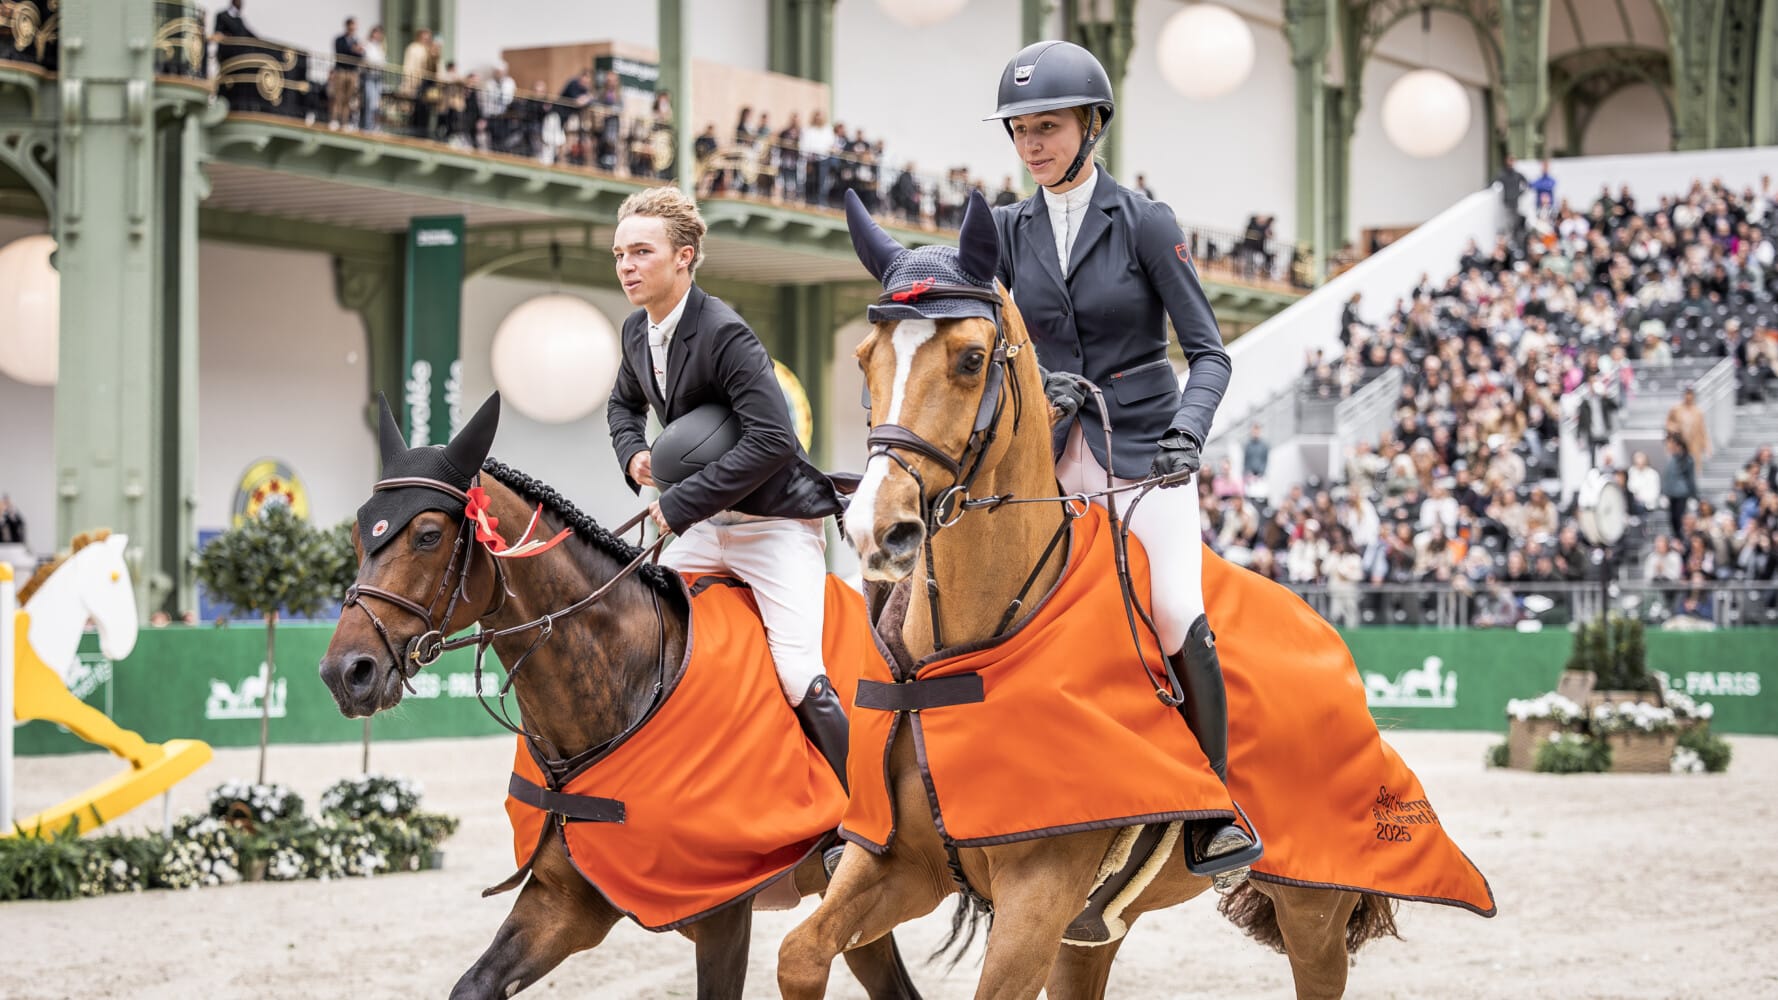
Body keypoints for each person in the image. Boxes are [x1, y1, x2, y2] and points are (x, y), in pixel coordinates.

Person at [984, 40, 1250, 879]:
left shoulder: (1143, 221)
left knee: (1172, 609)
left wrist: (1188, 434)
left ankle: (1214, 808)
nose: (1032, 144)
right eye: (1020, 130)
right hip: (1048, 458)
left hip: (1144, 451)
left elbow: (1209, 353)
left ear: (1091, 126)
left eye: (1049, 127)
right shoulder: (1006, 230)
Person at [605, 186, 849, 787]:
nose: (627, 266)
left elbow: (774, 440)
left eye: (641, 252)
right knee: (647, 638)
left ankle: (864, 808)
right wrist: (633, 454)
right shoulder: (636, 332)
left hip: (773, 526)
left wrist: (679, 503)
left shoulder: (725, 333)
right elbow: (622, 405)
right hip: (702, 526)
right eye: (619, 255)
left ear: (683, 257)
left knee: (796, 670)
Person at [329, 18, 363, 130]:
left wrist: (356, 50)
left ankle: (344, 122)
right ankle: (334, 120)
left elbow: (361, 56)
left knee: (348, 99)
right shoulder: (339, 39)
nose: (353, 28)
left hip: (352, 73)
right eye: (351, 26)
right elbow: (341, 51)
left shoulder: (356, 41)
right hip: (341, 71)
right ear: (347, 26)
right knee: (338, 97)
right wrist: (353, 50)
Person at [359, 25, 386, 132]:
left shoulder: (380, 47)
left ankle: (375, 125)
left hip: (377, 76)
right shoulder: (367, 45)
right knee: (369, 101)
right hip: (369, 76)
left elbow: (382, 61)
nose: (377, 35)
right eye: (376, 33)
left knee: (376, 103)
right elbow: (367, 59)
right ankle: (367, 125)